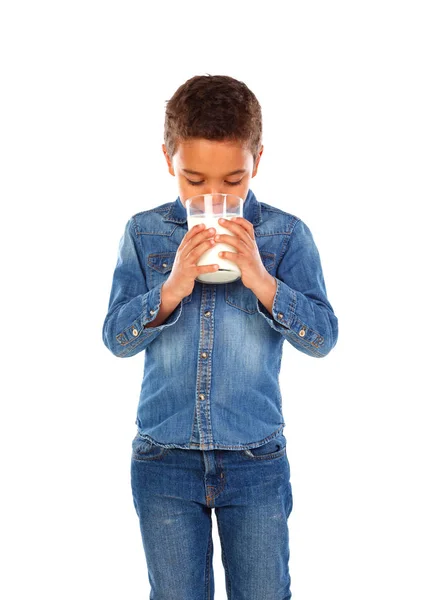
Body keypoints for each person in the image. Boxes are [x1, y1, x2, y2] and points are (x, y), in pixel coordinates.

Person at [102, 74, 338, 600]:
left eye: (233, 182)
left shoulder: (285, 235)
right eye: (194, 180)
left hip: (256, 460)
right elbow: (115, 338)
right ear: (168, 160)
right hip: (165, 460)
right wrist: (168, 293)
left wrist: (262, 280)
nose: (214, 197)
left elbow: (322, 338)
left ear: (257, 161)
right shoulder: (144, 233)